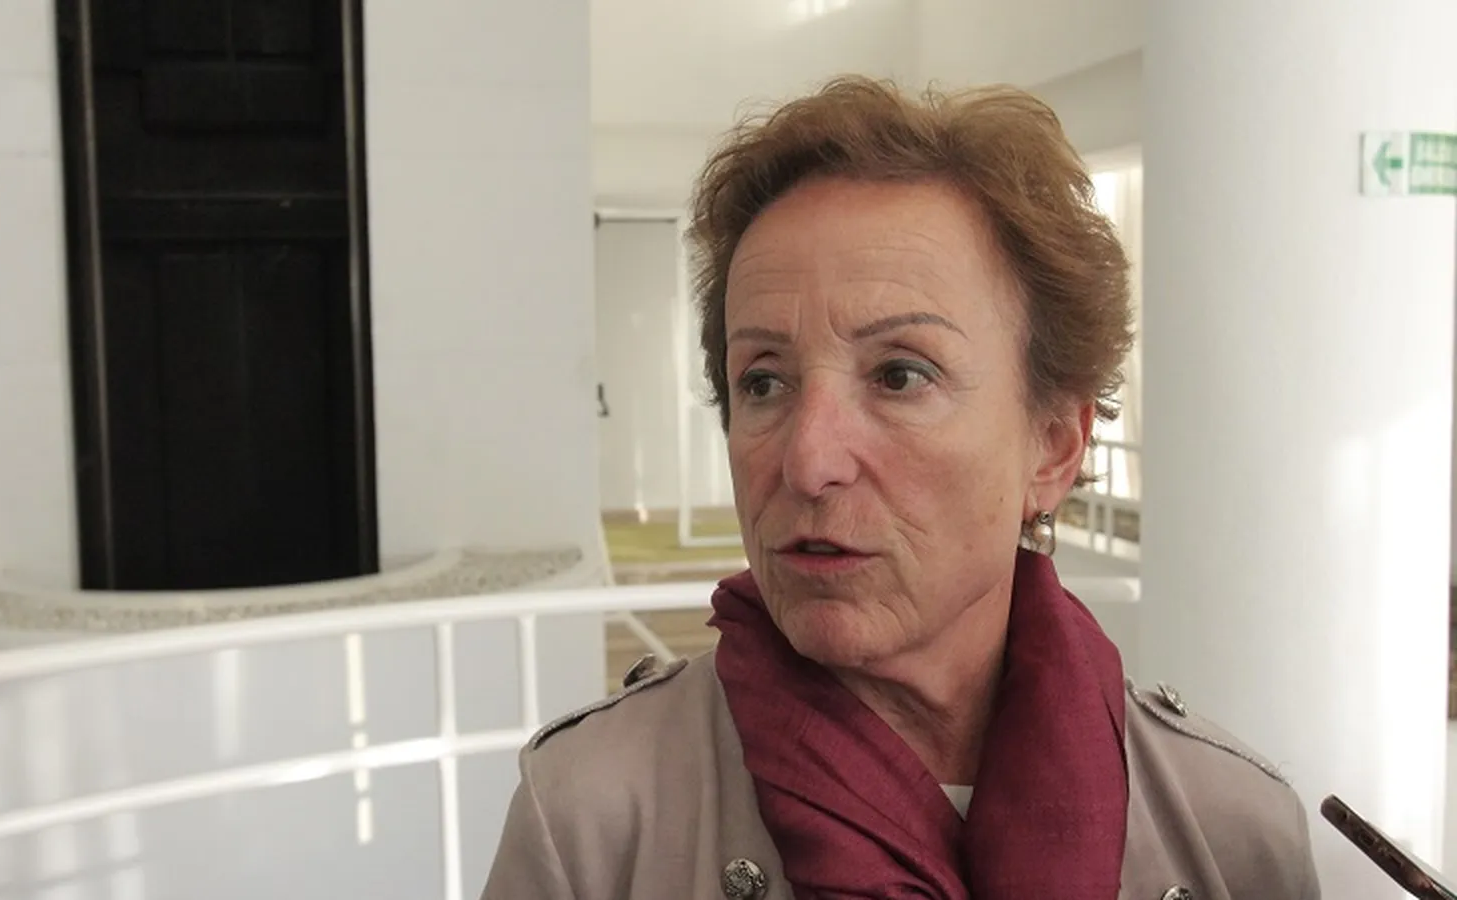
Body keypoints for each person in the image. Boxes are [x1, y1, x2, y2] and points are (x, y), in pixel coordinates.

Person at [480, 76, 1320, 900]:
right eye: (763, 381)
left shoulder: (1231, 836)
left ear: (1053, 447)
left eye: (899, 375)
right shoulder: (592, 825)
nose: (808, 462)